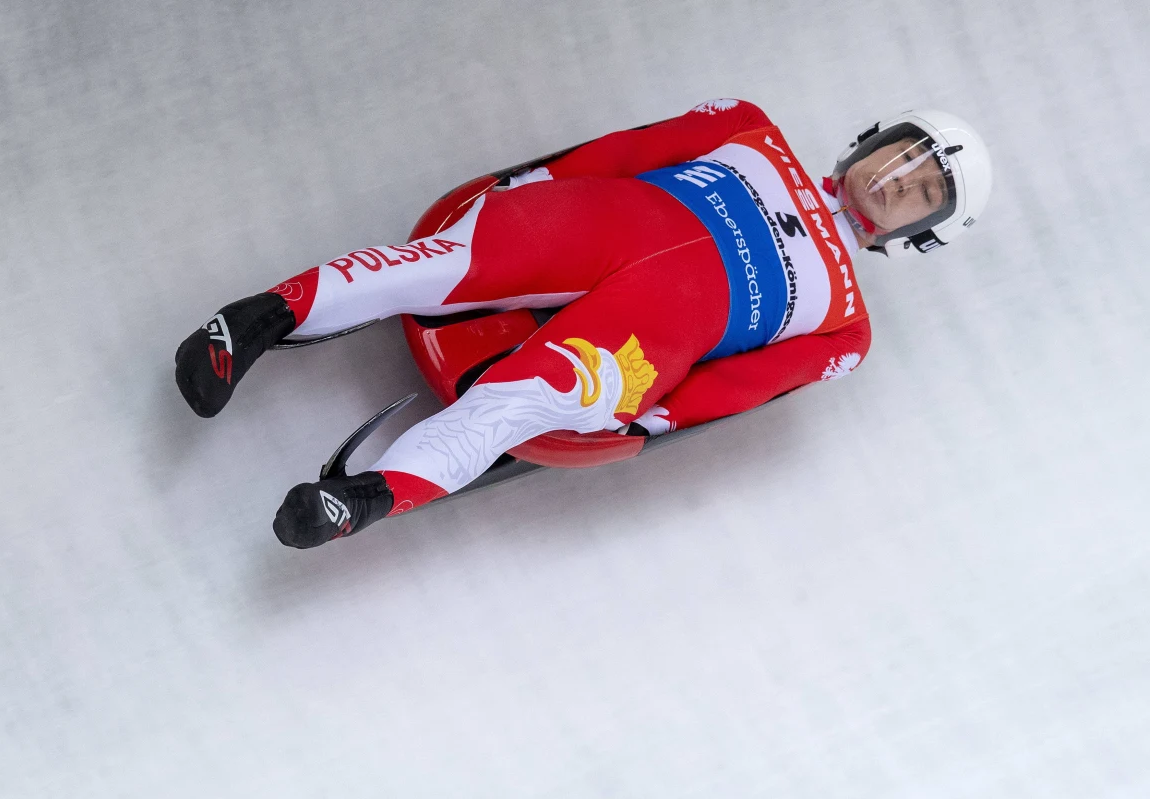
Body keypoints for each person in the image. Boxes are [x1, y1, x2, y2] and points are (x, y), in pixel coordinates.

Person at [174, 99, 993, 548]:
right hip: (601, 220)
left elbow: (750, 383)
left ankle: (361, 498)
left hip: (651, 337)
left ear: (920, 233)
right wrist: (535, 183)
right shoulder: (751, 125)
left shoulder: (847, 327)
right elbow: (628, 148)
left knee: (535, 398)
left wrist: (658, 413)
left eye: (920, 191)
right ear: (873, 139)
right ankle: (252, 324)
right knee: (442, 264)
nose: (894, 178)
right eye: (900, 154)